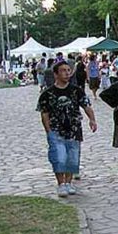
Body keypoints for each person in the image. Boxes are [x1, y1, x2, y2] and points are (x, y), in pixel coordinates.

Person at [37, 61, 97, 197]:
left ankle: (69, 183)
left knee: (72, 158)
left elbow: (86, 106)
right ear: (56, 74)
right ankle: (61, 184)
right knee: (59, 157)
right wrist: (48, 131)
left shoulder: (76, 91)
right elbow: (44, 113)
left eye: (68, 70)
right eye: (63, 70)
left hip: (74, 129)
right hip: (56, 130)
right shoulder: (48, 93)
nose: (67, 73)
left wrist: (92, 120)